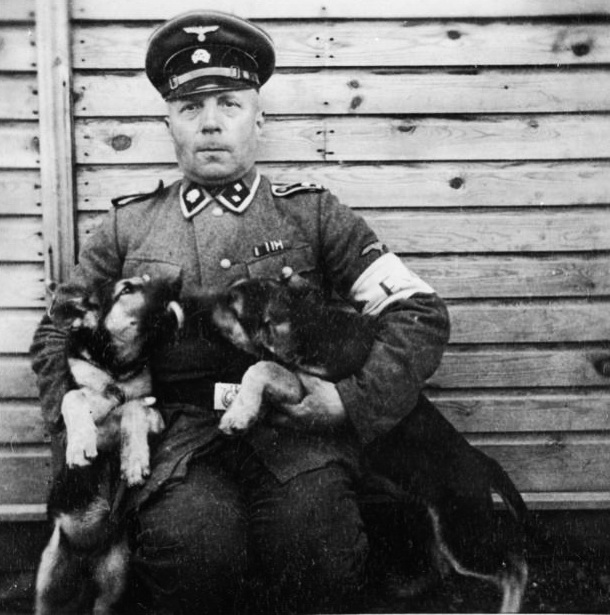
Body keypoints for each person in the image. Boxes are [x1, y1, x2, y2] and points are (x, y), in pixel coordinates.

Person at [30, 10, 450, 615]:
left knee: (318, 546)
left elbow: (418, 311)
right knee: (193, 552)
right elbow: (56, 332)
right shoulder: (128, 225)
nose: (210, 123)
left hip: (294, 433)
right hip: (175, 442)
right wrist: (85, 421)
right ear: (169, 124)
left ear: (259, 118)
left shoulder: (311, 215)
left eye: (229, 103)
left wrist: (349, 401)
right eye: (190, 107)